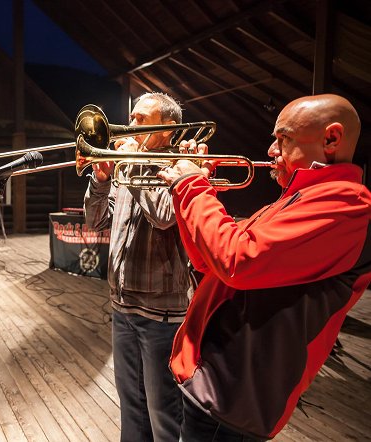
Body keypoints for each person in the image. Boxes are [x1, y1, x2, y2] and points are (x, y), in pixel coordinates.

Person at [156, 94, 371, 440]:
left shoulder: (347, 203)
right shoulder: (296, 198)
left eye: (283, 138)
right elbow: (209, 260)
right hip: (208, 377)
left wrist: (192, 186)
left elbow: (237, 261)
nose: (271, 149)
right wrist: (191, 193)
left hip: (233, 394)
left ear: (331, 139)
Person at [84, 92, 192, 441]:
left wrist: (135, 161)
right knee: (131, 406)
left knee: (164, 415)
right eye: (132, 117)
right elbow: (96, 221)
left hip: (162, 314)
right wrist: (101, 181)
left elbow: (163, 216)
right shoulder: (128, 165)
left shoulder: (181, 167)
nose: (130, 126)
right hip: (122, 307)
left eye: (142, 120)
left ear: (169, 128)